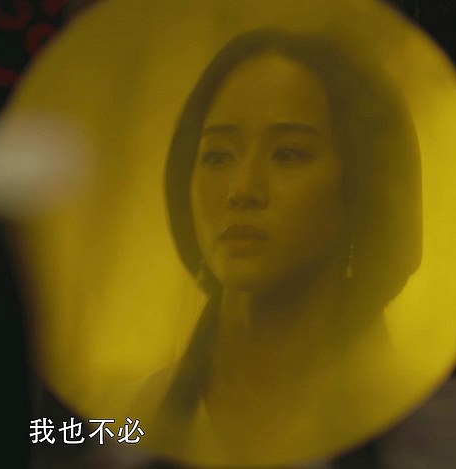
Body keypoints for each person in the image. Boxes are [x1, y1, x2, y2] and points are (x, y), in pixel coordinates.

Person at [142, 27, 423, 466]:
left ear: (361, 185)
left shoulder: (427, 428)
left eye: (288, 154)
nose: (242, 190)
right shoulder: (129, 415)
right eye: (218, 156)